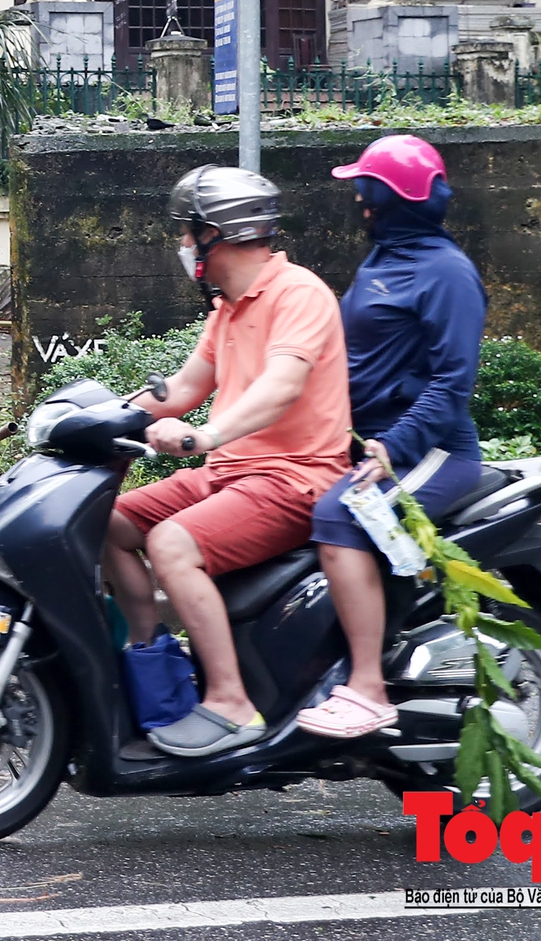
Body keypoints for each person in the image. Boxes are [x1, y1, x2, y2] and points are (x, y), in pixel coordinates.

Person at [102, 165, 353, 758]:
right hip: (230, 475)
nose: (184, 245)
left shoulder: (299, 295)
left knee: (171, 544)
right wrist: (102, 419)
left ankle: (232, 704)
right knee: (101, 523)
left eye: (189, 233)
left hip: (295, 477)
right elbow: (184, 386)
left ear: (219, 233)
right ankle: (154, 664)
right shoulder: (229, 308)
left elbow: (281, 387)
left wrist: (203, 436)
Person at [293, 134, 489, 739]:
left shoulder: (448, 274)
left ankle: (369, 690)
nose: (358, 202)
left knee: (341, 517)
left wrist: (393, 447)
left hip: (432, 451)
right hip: (369, 443)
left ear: (388, 199)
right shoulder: (382, 259)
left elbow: (453, 385)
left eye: (365, 190)